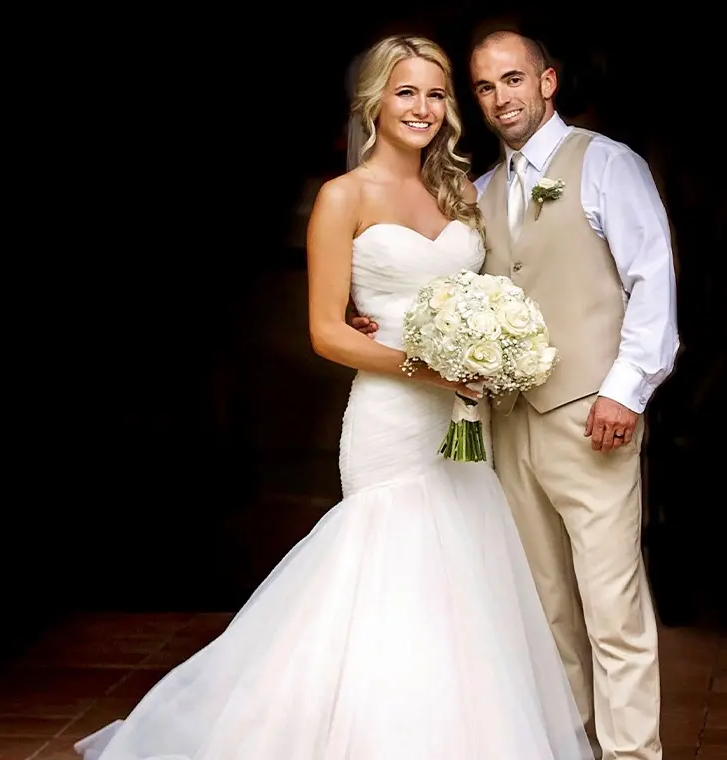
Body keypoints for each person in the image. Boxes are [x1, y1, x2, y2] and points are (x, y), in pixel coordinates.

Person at [73, 35, 593, 760]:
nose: (423, 107)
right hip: (391, 422)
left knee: (461, 592)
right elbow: (326, 331)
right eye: (406, 91)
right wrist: (429, 368)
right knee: (386, 585)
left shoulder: (458, 192)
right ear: (374, 102)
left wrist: (494, 349)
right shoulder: (341, 197)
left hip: (463, 431)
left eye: (437, 93)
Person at [358, 29, 679, 760]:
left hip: (592, 419)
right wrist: (378, 320)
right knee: (545, 613)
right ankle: (567, 749)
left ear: (547, 82)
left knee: (612, 612)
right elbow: (442, 293)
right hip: (507, 427)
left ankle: (633, 757)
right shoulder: (476, 193)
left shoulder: (606, 164)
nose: (500, 97)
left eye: (513, 79)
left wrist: (625, 394)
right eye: (483, 85)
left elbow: (652, 284)